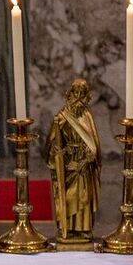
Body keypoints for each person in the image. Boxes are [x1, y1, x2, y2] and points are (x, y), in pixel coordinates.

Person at [43, 77, 102, 245]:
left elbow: (94, 146)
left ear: (87, 97)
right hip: (68, 165)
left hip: (83, 167)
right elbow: (52, 144)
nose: (78, 98)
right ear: (68, 95)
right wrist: (59, 153)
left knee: (84, 198)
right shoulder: (61, 117)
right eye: (75, 94)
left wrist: (84, 161)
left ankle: (83, 229)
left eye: (82, 95)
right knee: (69, 197)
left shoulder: (87, 117)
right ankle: (67, 228)